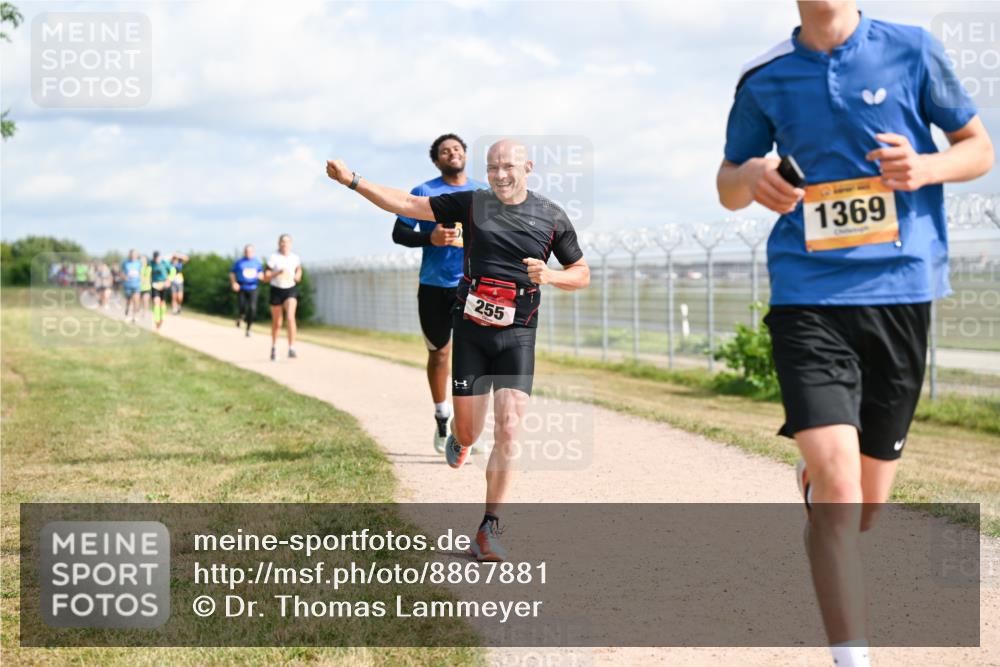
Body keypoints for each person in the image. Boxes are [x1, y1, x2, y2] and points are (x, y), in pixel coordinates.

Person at [716, 3, 993, 666]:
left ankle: (817, 488)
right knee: (840, 491)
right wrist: (751, 178)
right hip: (807, 293)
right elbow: (727, 181)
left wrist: (924, 167)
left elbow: (979, 148)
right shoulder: (765, 76)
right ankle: (852, 658)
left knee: (864, 506)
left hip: (900, 291)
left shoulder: (912, 49)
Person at [326, 139, 590, 561]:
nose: (500, 174)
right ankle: (461, 439)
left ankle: (489, 527)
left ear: (528, 167)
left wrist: (552, 276)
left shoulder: (552, 216)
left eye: (508, 166)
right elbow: (409, 206)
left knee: (508, 430)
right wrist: (353, 181)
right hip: (469, 330)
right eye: (492, 167)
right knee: (469, 431)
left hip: (518, 333)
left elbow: (582, 272)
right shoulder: (473, 204)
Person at [392, 134, 488, 453]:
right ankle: (442, 417)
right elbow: (399, 233)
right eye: (445, 151)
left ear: (465, 155)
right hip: (434, 285)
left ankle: (469, 429)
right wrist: (429, 238)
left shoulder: (481, 193)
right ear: (437, 161)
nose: (452, 154)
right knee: (440, 354)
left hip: (473, 285)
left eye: (457, 149)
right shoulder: (424, 192)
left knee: (473, 355)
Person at [266, 234, 303, 361]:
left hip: (290, 289)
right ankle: (274, 347)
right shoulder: (273, 257)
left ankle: (291, 347)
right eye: (282, 241)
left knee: (290, 317)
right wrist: (277, 272)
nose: (284, 244)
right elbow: (267, 275)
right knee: (277, 322)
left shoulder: (295, 257)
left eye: (287, 242)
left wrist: (298, 275)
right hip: (276, 289)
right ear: (278, 243)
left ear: (290, 243)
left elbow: (299, 270)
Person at [230, 244, 265, 337]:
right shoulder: (239, 262)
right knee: (242, 306)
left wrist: (261, 276)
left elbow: (261, 273)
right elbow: (232, 273)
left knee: (252, 308)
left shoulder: (257, 262)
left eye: (250, 251)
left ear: (253, 252)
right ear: (244, 252)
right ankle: (241, 316)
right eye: (246, 251)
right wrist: (234, 283)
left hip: (253, 287)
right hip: (241, 287)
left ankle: (248, 328)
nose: (248, 253)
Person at [148, 251, 173, 331]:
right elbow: (146, 271)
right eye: (155, 257)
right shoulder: (151, 263)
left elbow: (173, 270)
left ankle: (161, 318)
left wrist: (169, 280)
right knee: (156, 302)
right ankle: (157, 320)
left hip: (164, 285)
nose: (156, 259)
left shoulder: (164, 263)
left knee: (162, 303)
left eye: (158, 257)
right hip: (155, 285)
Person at [121, 250, 142, 323]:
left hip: (136, 285)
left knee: (136, 300)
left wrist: (141, 277)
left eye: (135, 254)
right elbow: (121, 272)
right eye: (132, 254)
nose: (133, 256)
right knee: (128, 301)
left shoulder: (139, 263)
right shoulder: (125, 263)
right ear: (130, 255)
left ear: (137, 255)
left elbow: (141, 272)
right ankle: (127, 315)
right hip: (128, 285)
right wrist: (124, 277)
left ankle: (135, 316)